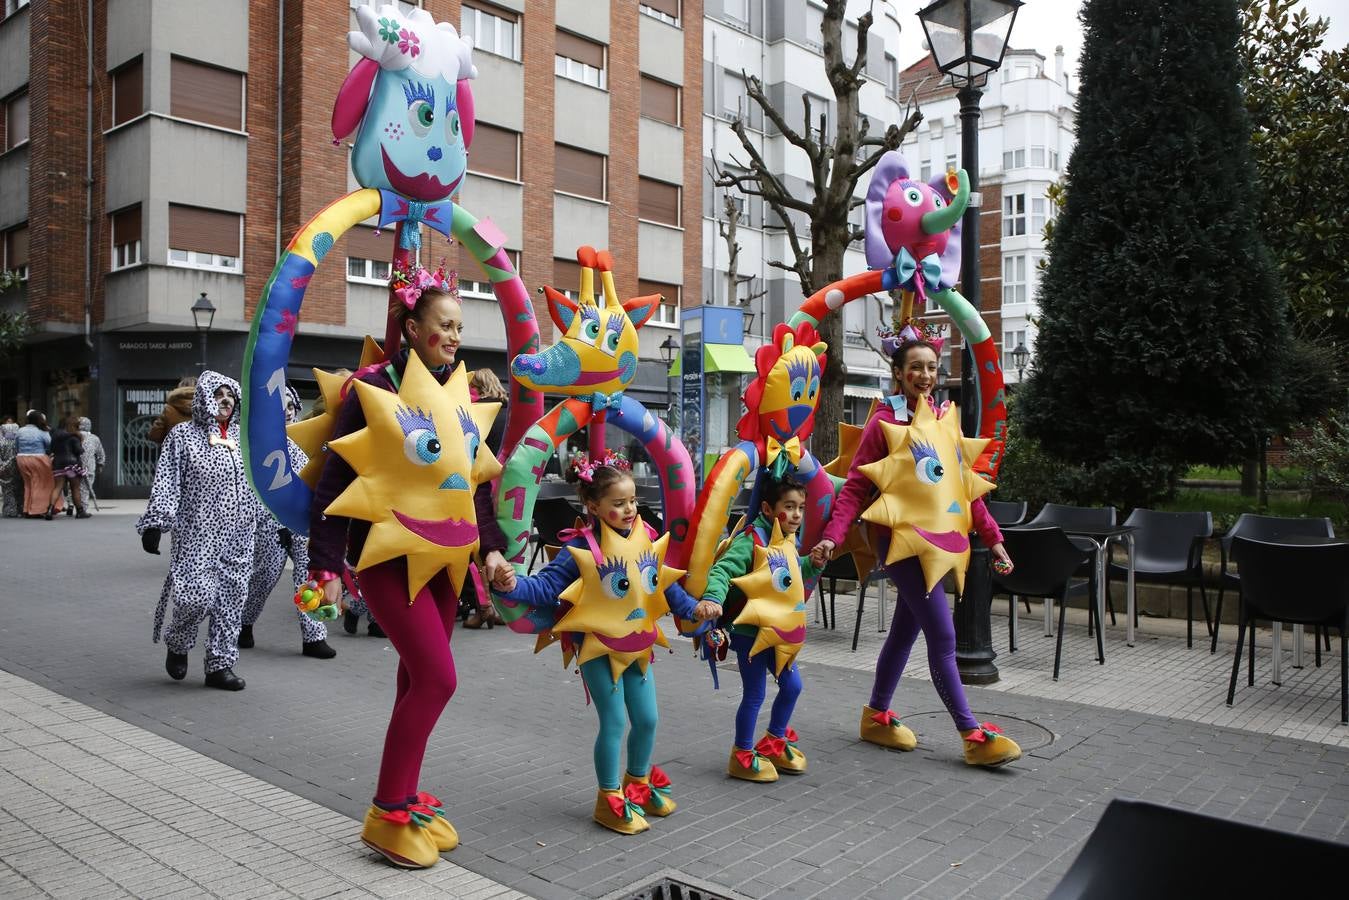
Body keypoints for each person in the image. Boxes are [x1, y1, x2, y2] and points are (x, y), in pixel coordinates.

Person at [308, 267, 513, 868]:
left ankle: (407, 796)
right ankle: (386, 812)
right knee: (438, 678)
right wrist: (322, 565)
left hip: (446, 558)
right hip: (383, 554)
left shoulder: (462, 395)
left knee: (413, 678)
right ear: (412, 326)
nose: (454, 335)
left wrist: (492, 549)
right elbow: (335, 477)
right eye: (444, 325)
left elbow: (471, 486)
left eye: (459, 327)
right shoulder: (372, 386)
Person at [810, 330, 1022, 769]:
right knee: (943, 637)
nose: (925, 375)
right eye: (916, 368)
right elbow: (855, 487)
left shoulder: (945, 419)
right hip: (901, 544)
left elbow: (964, 489)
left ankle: (875, 715)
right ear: (899, 373)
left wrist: (995, 539)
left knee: (906, 631)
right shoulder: (883, 421)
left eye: (931, 367)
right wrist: (833, 535)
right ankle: (971, 735)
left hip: (938, 544)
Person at [492, 452, 722, 835]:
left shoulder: (646, 535)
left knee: (647, 719)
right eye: (618, 503)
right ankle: (608, 798)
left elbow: (661, 583)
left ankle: (637, 783)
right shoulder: (580, 549)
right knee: (614, 722)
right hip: (598, 649)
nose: (630, 509)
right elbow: (548, 586)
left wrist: (694, 608)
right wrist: (515, 585)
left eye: (632, 501)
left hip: (639, 646)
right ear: (593, 506)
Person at [137, 372, 258, 691]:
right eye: (218, 394)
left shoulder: (244, 439)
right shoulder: (182, 437)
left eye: (231, 395)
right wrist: (156, 521)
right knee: (196, 597)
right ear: (204, 398)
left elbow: (266, 481)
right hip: (197, 533)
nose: (226, 401)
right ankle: (178, 642)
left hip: (240, 534)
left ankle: (220, 665)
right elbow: (167, 480)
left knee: (232, 599)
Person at [702, 475, 820, 783]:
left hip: (780, 634)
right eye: (789, 507)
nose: (796, 514)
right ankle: (741, 754)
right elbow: (722, 569)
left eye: (801, 508)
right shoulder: (751, 540)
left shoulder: (787, 538)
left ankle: (773, 741)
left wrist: (813, 563)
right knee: (755, 694)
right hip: (750, 634)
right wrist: (713, 598)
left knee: (793, 687)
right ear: (767, 508)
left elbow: (790, 573)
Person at [240, 385, 335, 659]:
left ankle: (313, 636)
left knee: (309, 576)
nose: (285, 413)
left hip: (305, 520)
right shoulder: (258, 443)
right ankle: (245, 621)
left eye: (289, 407)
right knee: (265, 575)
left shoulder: (308, 437)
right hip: (270, 521)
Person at [15, 410, 55, 519]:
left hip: (21, 458)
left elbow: (16, 446)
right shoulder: (42, 431)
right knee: (41, 484)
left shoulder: (20, 430)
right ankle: (37, 510)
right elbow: (49, 445)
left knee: (28, 485)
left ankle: (26, 509)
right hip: (38, 458)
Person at [49, 417, 87, 519]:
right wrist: (81, 442)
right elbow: (79, 451)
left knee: (57, 487)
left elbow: (51, 449)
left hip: (58, 464)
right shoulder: (75, 437)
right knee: (75, 488)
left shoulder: (55, 436)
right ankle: (80, 511)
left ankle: (49, 510)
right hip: (72, 465)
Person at [148, 377, 196, 445]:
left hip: (176, 452)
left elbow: (155, 435)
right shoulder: (208, 408)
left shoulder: (169, 409)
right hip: (202, 454)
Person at [75, 417, 106, 514]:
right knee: (85, 488)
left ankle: (71, 505)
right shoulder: (94, 438)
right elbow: (100, 453)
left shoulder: (73, 436)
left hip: (75, 465)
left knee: (73, 487)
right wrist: (101, 464)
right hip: (89, 466)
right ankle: (83, 509)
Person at [0, 421, 19, 518]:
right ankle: (19, 508)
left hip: (4, 468)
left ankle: (9, 510)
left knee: (7, 489)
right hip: (16, 466)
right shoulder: (18, 439)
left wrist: (2, 465)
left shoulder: (1, 441)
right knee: (18, 488)